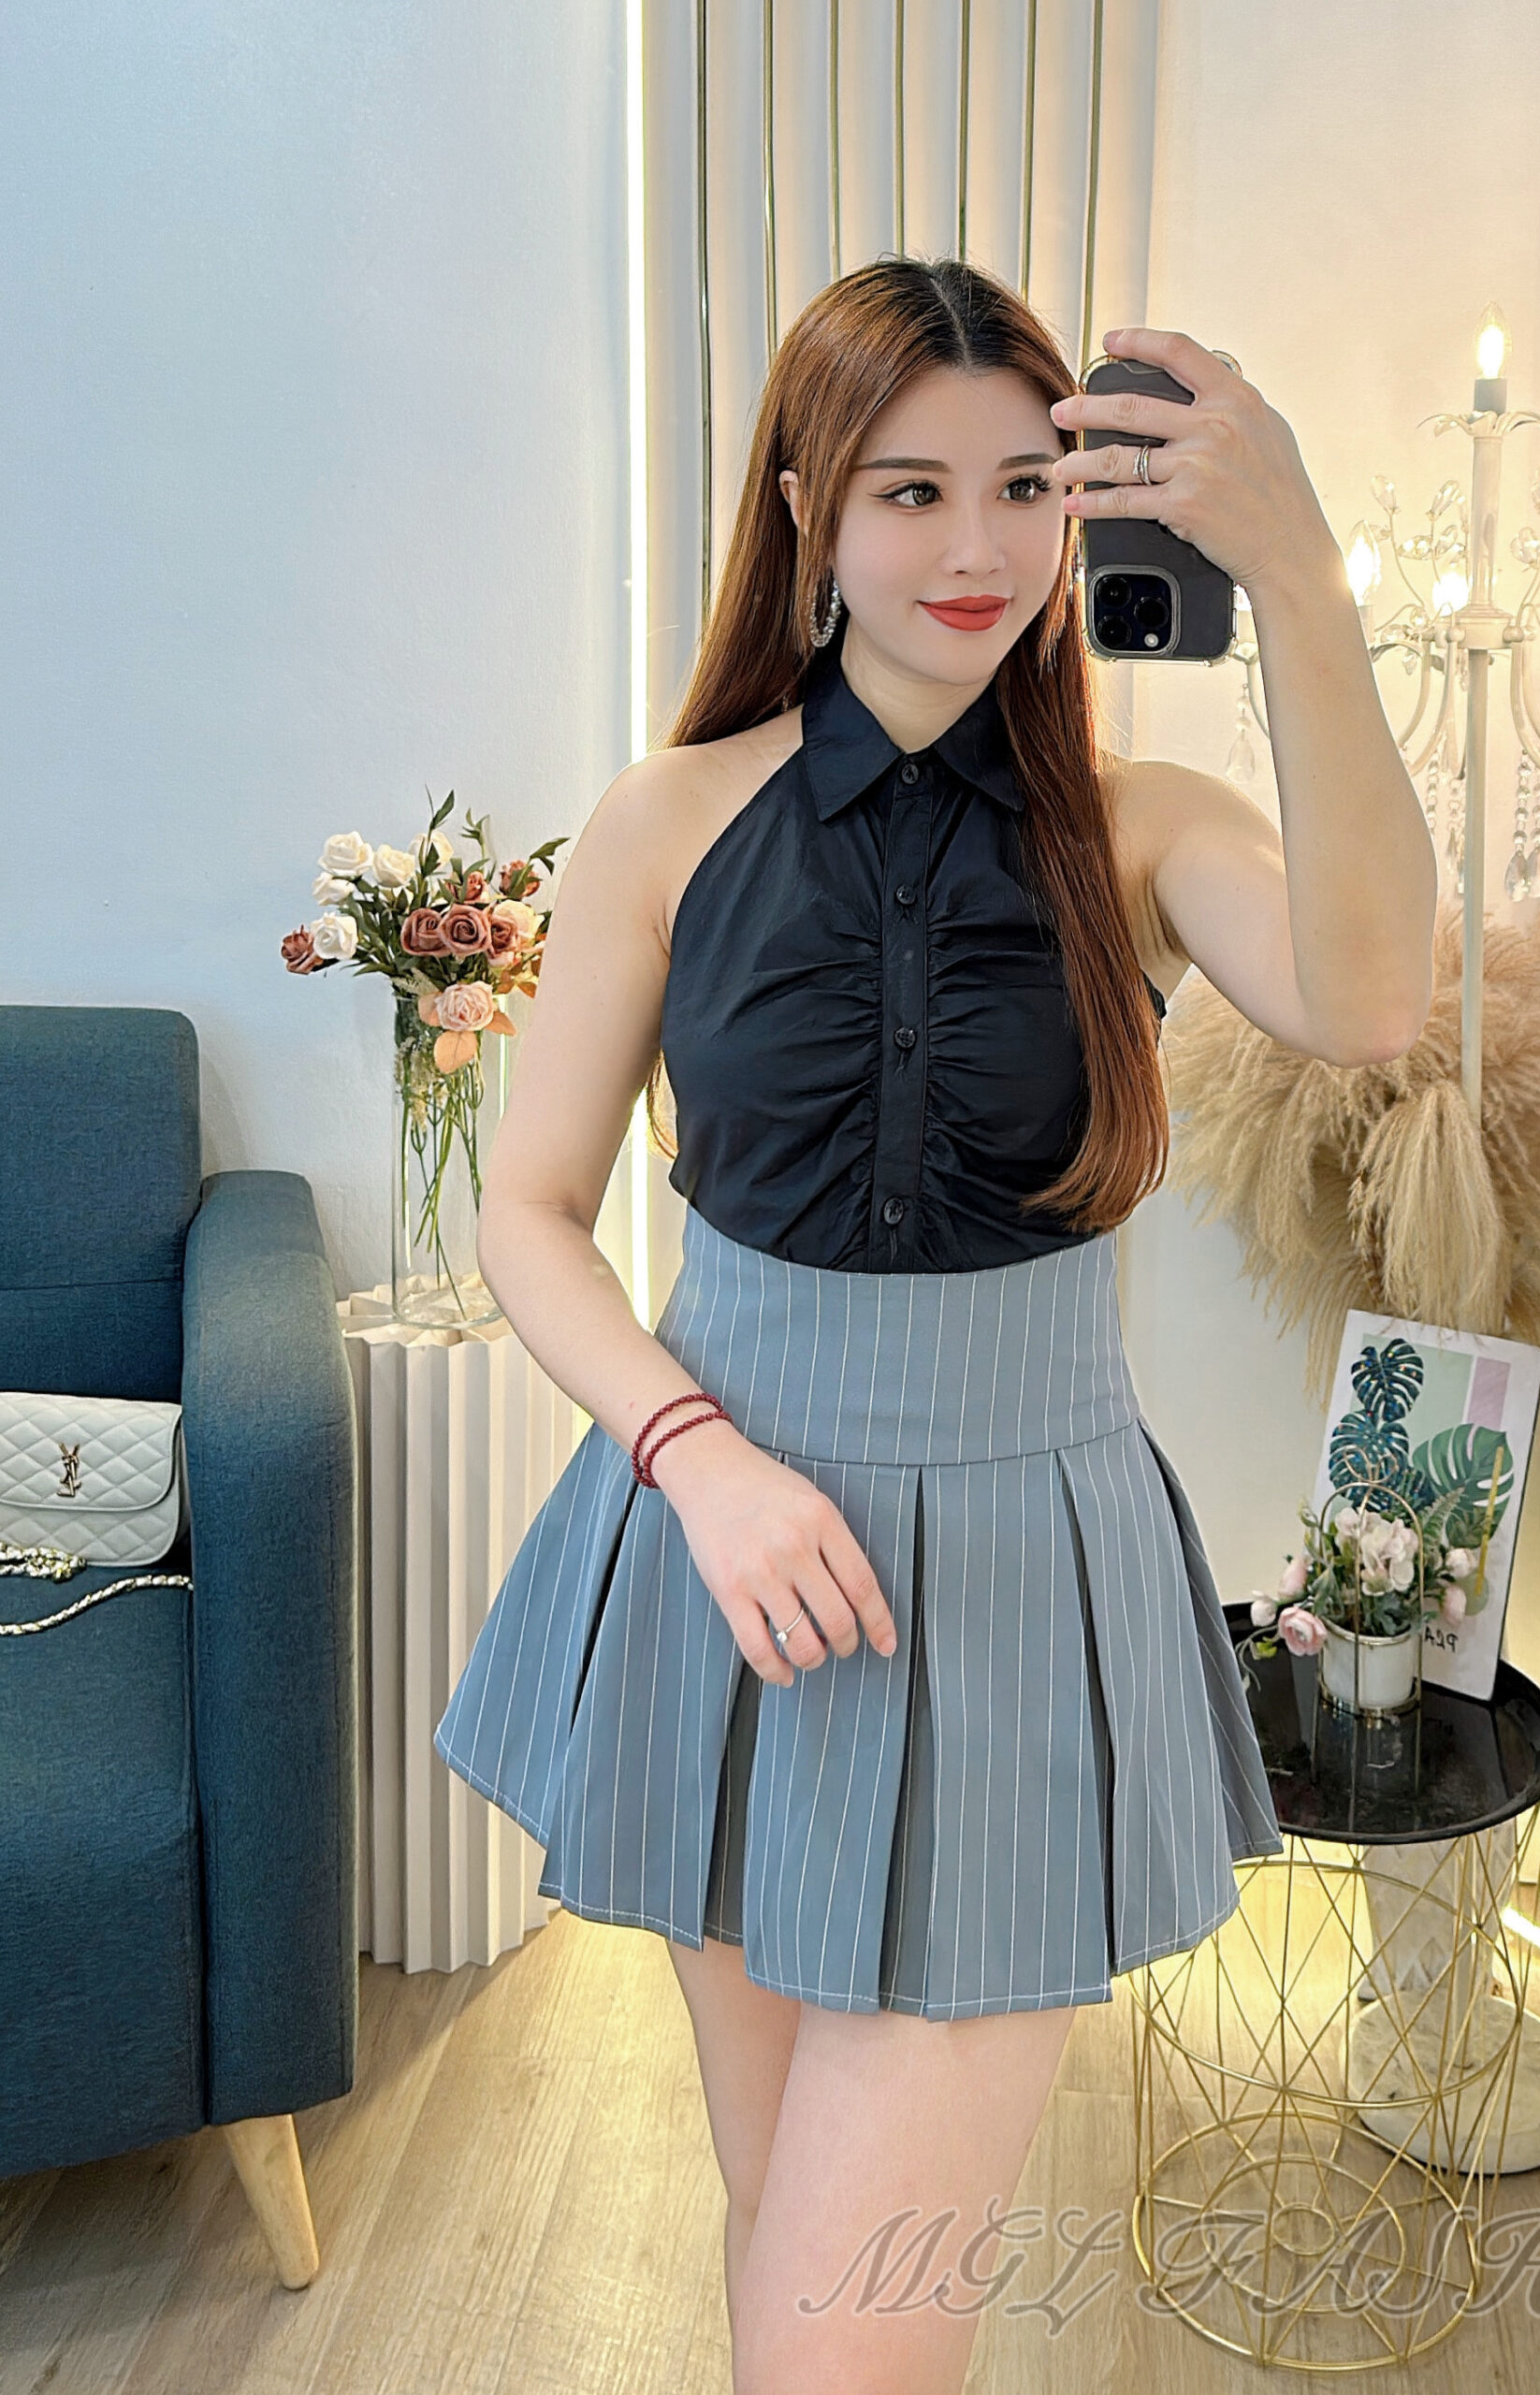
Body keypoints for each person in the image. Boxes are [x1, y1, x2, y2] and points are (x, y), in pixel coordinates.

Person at [433, 254, 1434, 2394]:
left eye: (1022, 487)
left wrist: (1299, 575)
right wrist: (697, 1461)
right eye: (910, 490)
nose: (976, 546)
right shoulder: (668, 818)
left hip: (1008, 1582)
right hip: (728, 1561)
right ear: (810, 506)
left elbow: (1368, 997)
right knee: (781, 2217)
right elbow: (529, 1211)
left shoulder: (1145, 831)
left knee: (844, 2331)